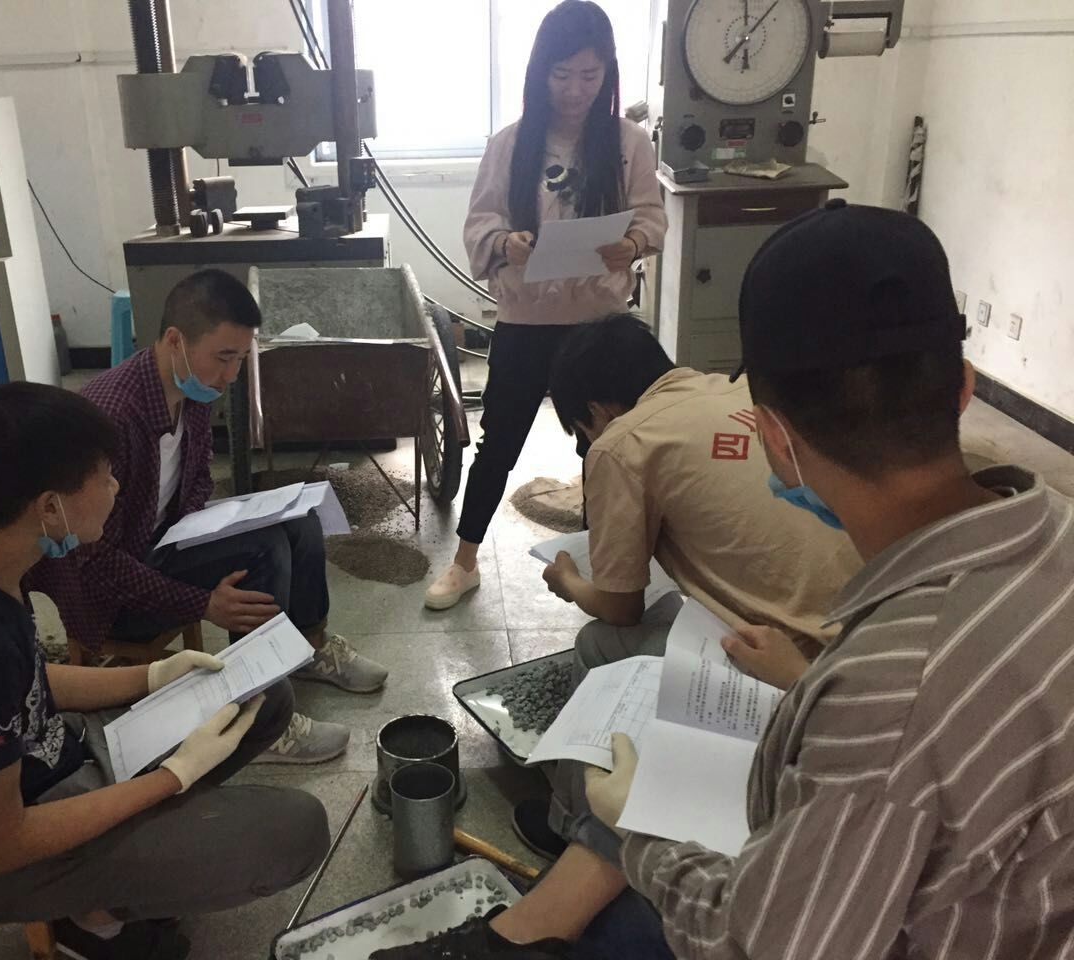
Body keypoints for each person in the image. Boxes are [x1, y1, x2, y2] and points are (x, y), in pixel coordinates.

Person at [380, 202, 1074, 960]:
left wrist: (641, 833)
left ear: (774, 432)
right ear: (964, 387)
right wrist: (805, 678)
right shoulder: (1055, 532)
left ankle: (535, 912)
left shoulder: (887, 689)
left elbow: (764, 942)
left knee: (613, 919)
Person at [0, 383, 330, 960]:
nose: (116, 488)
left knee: (263, 697)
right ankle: (94, 920)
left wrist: (154, 677)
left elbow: (25, 682)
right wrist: (171, 777)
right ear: (50, 507)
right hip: (10, 857)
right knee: (298, 830)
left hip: (51, 760)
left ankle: (130, 867)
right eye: (104, 477)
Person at [507, 313, 859, 861]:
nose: (589, 444)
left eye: (583, 431)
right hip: (863, 646)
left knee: (598, 641)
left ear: (598, 412)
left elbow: (620, 608)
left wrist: (570, 579)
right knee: (673, 606)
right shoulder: (737, 391)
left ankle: (574, 821)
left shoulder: (622, 442)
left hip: (790, 665)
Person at [29, 269, 388, 765]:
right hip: (111, 592)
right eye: (224, 357)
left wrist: (215, 525)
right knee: (263, 552)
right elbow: (93, 563)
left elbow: (198, 479)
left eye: (240, 358)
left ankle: (307, 645)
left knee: (297, 519)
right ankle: (255, 716)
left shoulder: (192, 390)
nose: (231, 375)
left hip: (162, 543)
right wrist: (202, 601)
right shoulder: (112, 418)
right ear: (175, 341)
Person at [424, 0, 667, 611]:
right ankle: (464, 562)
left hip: (599, 324)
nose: (576, 90)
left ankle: (607, 565)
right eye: (562, 75)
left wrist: (633, 243)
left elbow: (650, 215)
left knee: (607, 448)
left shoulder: (628, 142)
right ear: (540, 73)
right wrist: (506, 242)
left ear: (607, 73)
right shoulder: (510, 143)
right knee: (499, 442)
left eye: (590, 75)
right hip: (527, 320)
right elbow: (480, 221)